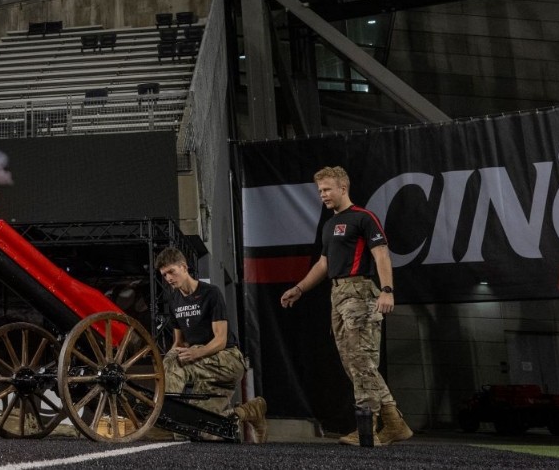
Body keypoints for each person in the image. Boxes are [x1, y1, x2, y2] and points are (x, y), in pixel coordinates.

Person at [279, 166, 413, 446]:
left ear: (343, 188)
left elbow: (381, 255)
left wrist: (387, 290)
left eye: (327, 189)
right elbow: (323, 264)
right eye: (320, 191)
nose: (323, 195)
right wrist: (299, 288)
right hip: (337, 295)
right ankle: (394, 423)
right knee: (355, 364)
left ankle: (368, 431)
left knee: (362, 362)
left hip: (360, 293)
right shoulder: (329, 225)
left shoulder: (363, 217)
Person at [156, 247, 268, 443]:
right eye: (164, 275)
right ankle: (250, 411)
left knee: (175, 360)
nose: (168, 278)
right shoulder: (174, 301)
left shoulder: (210, 293)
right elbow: (179, 342)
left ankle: (167, 414)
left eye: (171, 272)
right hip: (203, 369)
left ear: (184, 267)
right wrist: (162, 365)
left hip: (227, 360)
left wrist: (193, 355)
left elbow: (220, 340)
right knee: (193, 428)